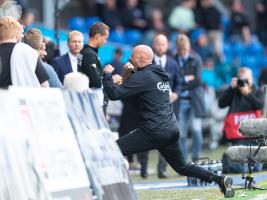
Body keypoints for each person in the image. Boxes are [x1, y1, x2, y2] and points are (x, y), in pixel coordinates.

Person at [103, 44, 235, 198]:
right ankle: (220, 180)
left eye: (132, 56)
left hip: (153, 130)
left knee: (113, 150)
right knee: (183, 167)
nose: (130, 58)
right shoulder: (159, 74)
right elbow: (135, 89)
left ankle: (110, 190)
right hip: (171, 129)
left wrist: (107, 75)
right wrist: (128, 74)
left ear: (140, 59)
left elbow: (114, 94)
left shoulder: (143, 77)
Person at [218, 67, 264, 173]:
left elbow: (259, 105)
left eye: (246, 80)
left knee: (257, 168)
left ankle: (230, 158)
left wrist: (247, 93)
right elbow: (221, 104)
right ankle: (227, 160)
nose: (244, 83)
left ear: (251, 80)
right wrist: (230, 88)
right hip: (238, 139)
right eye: (241, 80)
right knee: (242, 169)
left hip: (254, 139)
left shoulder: (257, 91)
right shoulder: (234, 92)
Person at [152, 33, 179, 178]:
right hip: (150, 106)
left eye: (163, 44)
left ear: (167, 46)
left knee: (167, 137)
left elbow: (179, 83)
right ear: (153, 44)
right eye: (158, 43)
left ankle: (162, 168)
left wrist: (176, 93)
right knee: (149, 136)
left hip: (168, 107)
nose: (160, 47)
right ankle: (143, 166)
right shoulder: (148, 62)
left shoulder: (173, 63)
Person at [174, 34, 204, 162]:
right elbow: (173, 79)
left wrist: (182, 84)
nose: (182, 53)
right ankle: (185, 161)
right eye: (180, 50)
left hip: (194, 101)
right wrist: (186, 78)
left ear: (189, 47)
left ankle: (196, 158)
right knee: (181, 134)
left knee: (196, 130)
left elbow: (197, 80)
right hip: (180, 102)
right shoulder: (173, 59)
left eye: (184, 50)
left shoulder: (196, 58)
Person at [0, 16, 49, 88]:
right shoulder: (28, 51)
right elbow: (45, 85)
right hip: (23, 97)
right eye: (21, 33)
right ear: (16, 34)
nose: (22, 35)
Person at [78, 22, 114, 115]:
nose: (105, 42)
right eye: (105, 38)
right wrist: (107, 74)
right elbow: (96, 82)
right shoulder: (89, 54)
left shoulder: (85, 51)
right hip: (90, 103)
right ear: (98, 36)